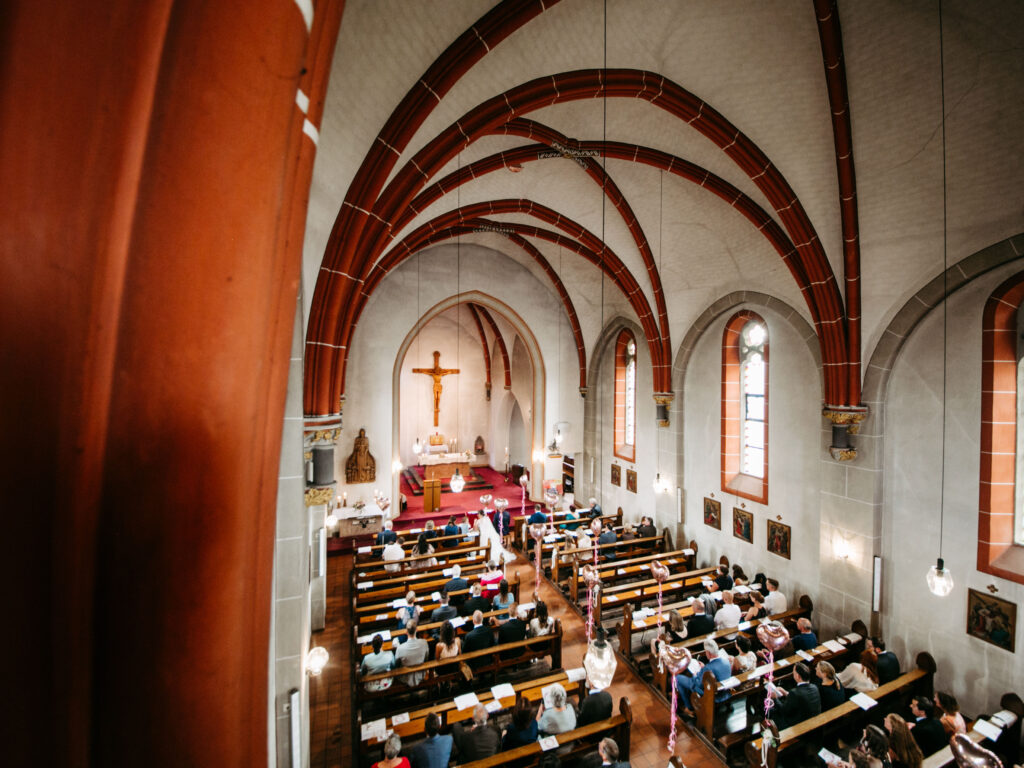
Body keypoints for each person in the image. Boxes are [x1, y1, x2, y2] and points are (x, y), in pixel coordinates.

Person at [676, 638, 732, 711]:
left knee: (677, 678)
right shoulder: (726, 661)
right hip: (725, 692)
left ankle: (689, 708)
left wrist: (695, 674)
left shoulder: (708, 668)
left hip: (712, 695)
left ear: (708, 653)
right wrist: (704, 667)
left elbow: (697, 684)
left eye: (705, 652)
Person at [767, 662, 821, 730]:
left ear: (798, 676)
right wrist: (785, 693)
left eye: (794, 673)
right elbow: (801, 698)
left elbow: (784, 711)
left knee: (771, 710)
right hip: (812, 722)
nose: (793, 674)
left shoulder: (794, 693)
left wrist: (775, 698)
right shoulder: (814, 687)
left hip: (798, 727)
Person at [394, 620, 429, 685]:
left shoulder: (400, 648)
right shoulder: (424, 643)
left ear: (406, 632)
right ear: (417, 630)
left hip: (405, 677)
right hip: (420, 674)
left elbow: (396, 664)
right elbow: (426, 659)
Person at [583, 626, 618, 691]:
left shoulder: (607, 648)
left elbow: (613, 663)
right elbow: (587, 661)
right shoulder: (593, 648)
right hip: (597, 678)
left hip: (601, 678)